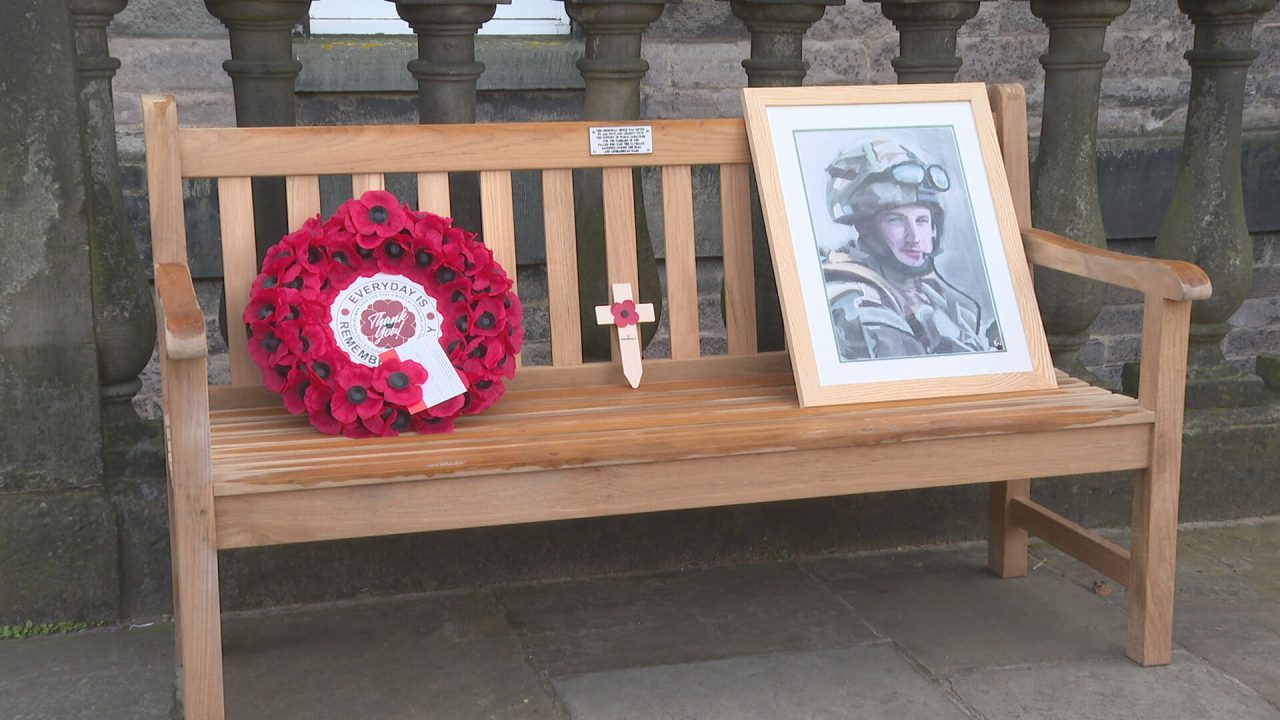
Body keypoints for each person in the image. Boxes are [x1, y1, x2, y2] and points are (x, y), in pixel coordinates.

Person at [821, 139, 1003, 360]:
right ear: (863, 226)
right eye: (896, 220)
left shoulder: (929, 293)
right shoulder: (853, 299)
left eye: (922, 220)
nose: (915, 238)